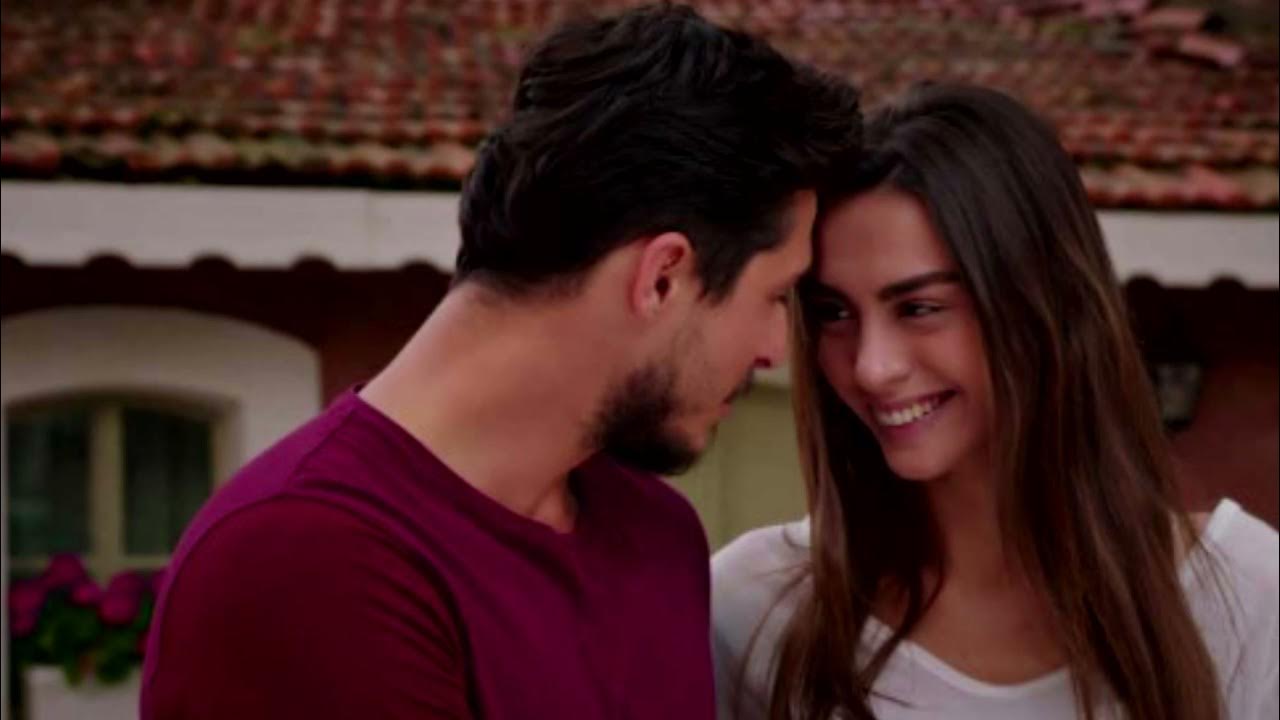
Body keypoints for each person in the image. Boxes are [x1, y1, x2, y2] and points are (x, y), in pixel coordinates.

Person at [140, 4, 861, 719]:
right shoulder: (303, 563)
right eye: (775, 296)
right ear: (662, 277)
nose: (775, 349)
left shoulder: (656, 536)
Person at [712, 83, 1278, 720]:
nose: (872, 366)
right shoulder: (750, 612)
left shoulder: (1247, 602)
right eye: (833, 312)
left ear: (1039, 305)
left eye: (920, 308)